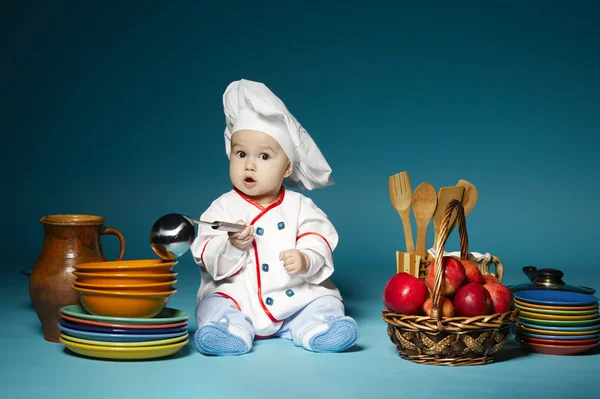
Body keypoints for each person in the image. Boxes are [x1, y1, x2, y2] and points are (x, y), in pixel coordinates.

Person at [190, 79, 359, 356]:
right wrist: (232, 247)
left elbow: (319, 240)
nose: (250, 164)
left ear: (287, 168)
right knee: (213, 303)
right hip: (239, 295)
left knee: (324, 301)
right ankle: (231, 330)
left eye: (265, 156)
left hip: (295, 295)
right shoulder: (222, 207)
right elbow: (207, 254)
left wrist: (306, 259)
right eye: (241, 153)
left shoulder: (300, 206)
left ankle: (318, 328)